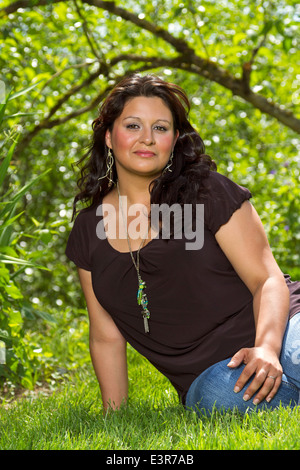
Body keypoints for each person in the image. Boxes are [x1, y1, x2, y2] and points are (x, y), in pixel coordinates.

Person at [65, 73, 300, 415]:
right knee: (216, 398)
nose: (146, 138)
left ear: (174, 140)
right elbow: (106, 336)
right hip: (215, 373)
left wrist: (265, 348)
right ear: (108, 137)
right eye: (133, 126)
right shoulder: (88, 230)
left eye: (160, 128)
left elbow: (266, 279)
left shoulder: (206, 191)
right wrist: (112, 416)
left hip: (282, 327)